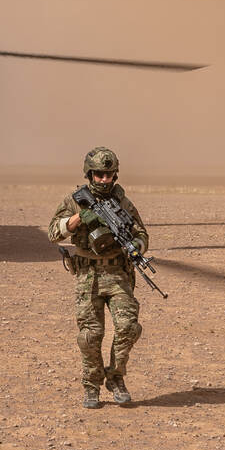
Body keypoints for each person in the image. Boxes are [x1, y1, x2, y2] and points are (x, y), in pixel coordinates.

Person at [48, 147, 149, 409]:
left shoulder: (123, 204)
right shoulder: (74, 201)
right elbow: (53, 232)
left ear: (115, 175)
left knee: (129, 327)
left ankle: (116, 377)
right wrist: (79, 218)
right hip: (87, 277)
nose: (104, 180)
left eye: (109, 175)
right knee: (91, 335)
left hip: (118, 275)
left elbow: (142, 234)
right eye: (99, 175)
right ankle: (91, 385)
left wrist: (137, 246)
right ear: (90, 174)